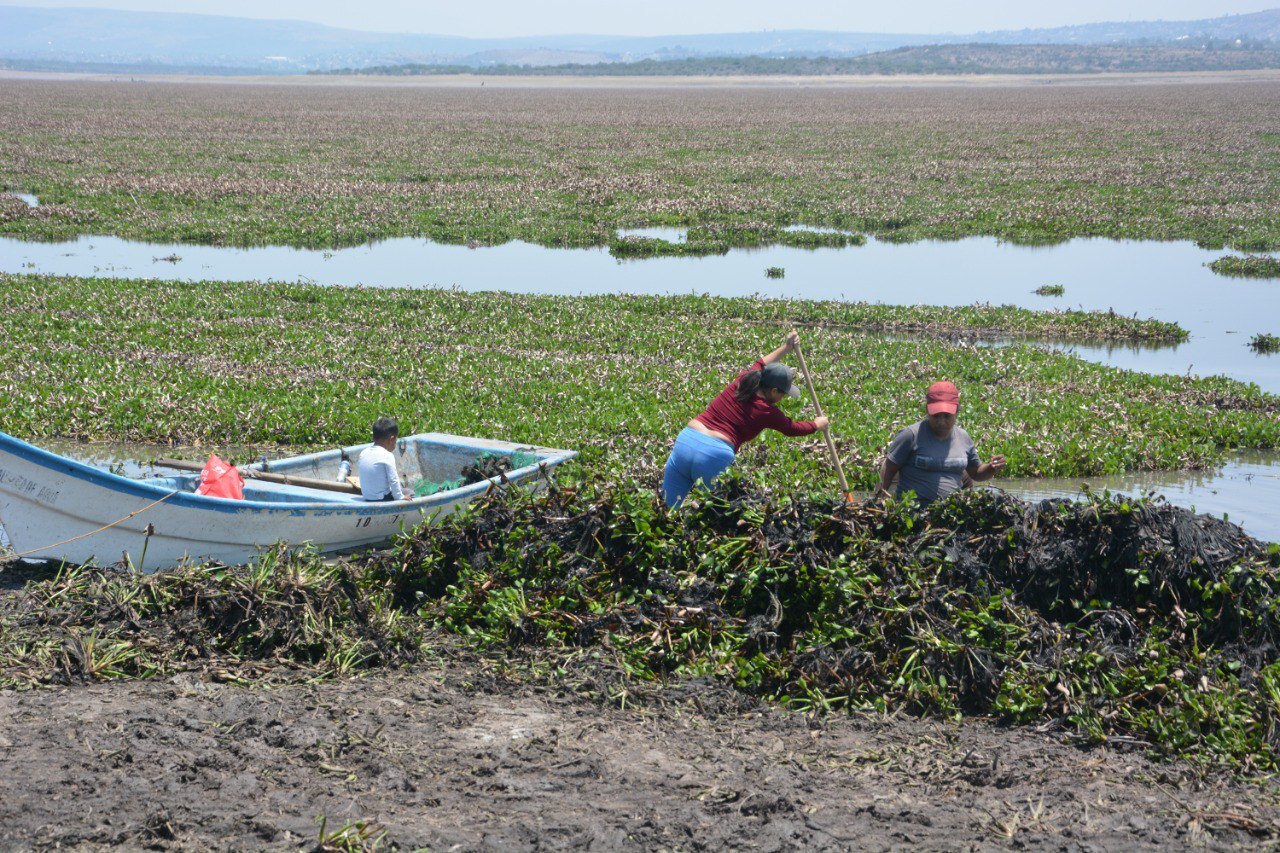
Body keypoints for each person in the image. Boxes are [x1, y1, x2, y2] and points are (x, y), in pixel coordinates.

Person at [662, 331, 829, 507]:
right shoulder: (767, 411)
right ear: (773, 391)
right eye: (783, 394)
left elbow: (762, 362)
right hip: (713, 454)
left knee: (667, 510)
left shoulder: (743, 379)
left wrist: (786, 348)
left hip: (686, 440)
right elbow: (792, 428)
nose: (783, 398)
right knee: (718, 515)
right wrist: (817, 424)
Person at [875, 380, 1006, 506]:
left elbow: (976, 473)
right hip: (913, 510)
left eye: (947, 416)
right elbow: (888, 469)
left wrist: (991, 467)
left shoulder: (964, 437)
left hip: (949, 511)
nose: (941, 421)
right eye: (936, 416)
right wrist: (880, 500)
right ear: (927, 410)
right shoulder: (910, 435)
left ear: (957, 411)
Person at [358, 416, 412, 502]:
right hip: (381, 498)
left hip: (367, 496)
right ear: (392, 439)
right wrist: (400, 497)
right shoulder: (387, 455)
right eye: (395, 441)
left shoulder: (363, 453)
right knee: (409, 492)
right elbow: (393, 480)